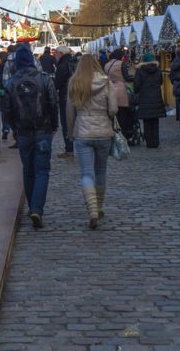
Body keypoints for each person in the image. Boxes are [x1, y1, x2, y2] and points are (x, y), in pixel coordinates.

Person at [1, 42, 58, 229]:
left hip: (23, 132)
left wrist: (14, 128)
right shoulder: (44, 79)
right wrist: (54, 126)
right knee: (42, 170)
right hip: (43, 129)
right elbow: (52, 104)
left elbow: (6, 110)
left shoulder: (10, 83)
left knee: (28, 169)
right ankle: (36, 208)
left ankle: (32, 206)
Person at [66, 53, 117, 229]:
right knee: (101, 171)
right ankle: (100, 206)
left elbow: (70, 112)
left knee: (87, 173)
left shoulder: (75, 82)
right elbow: (113, 109)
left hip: (83, 132)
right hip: (103, 132)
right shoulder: (106, 81)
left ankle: (92, 211)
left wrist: (71, 132)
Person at [133, 51, 166, 148]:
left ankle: (149, 142)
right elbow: (160, 82)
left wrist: (137, 91)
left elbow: (137, 85)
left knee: (147, 122)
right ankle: (156, 142)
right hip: (156, 97)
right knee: (155, 121)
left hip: (144, 97)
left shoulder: (140, 71)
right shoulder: (158, 70)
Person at [103, 49, 134, 147]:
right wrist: (135, 77)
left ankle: (113, 134)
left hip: (110, 89)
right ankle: (124, 136)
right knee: (124, 114)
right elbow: (127, 77)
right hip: (120, 90)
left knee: (113, 115)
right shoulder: (122, 64)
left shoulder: (107, 64)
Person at [53, 45, 75, 159]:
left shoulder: (62, 66)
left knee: (66, 123)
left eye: (56, 53)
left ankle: (69, 149)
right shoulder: (74, 63)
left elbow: (57, 84)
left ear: (60, 53)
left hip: (65, 98)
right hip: (76, 96)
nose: (55, 55)